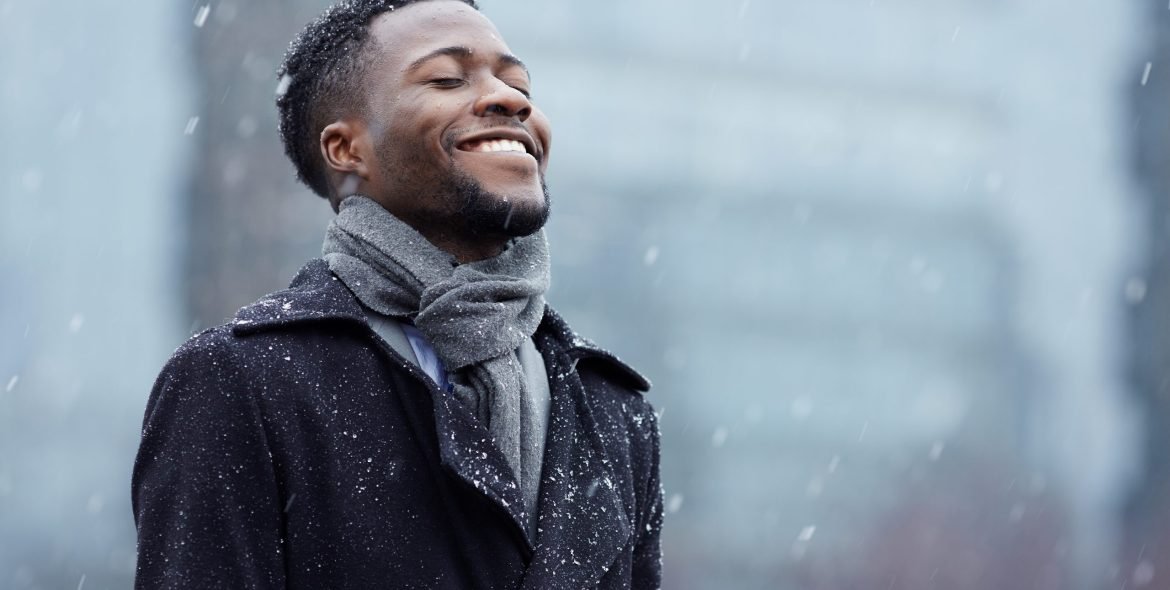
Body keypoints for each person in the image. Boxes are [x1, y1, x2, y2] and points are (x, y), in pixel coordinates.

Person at [131, 0, 663, 588]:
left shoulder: (612, 406)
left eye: (518, 84)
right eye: (445, 78)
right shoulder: (242, 382)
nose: (512, 101)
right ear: (346, 150)